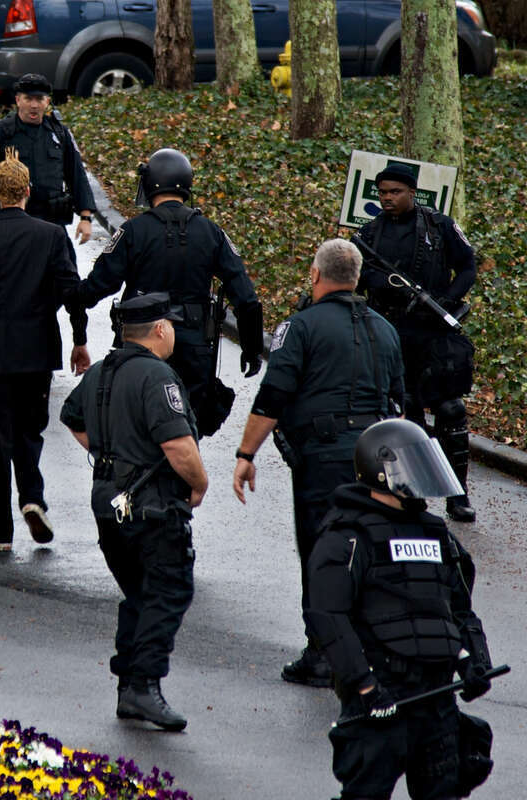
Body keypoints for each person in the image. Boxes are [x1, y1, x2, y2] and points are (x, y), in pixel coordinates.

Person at [232, 238, 404, 687]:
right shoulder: (385, 329)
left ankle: (324, 654)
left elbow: (273, 397)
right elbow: (400, 404)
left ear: (315, 276)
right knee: (367, 549)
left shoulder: (300, 327)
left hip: (323, 459)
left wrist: (246, 454)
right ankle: (367, 646)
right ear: (358, 278)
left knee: (322, 552)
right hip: (377, 458)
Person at [305, 418, 494, 800]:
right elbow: (328, 616)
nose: (421, 475)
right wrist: (365, 685)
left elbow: (460, 609)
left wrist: (476, 662)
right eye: (412, 465)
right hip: (384, 697)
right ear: (381, 471)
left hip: (437, 698)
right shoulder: (347, 535)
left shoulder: (436, 534)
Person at [60, 293, 208, 731]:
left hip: (108, 504)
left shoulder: (102, 371)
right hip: (153, 506)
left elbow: (74, 418)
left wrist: (111, 454)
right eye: (172, 324)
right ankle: (144, 686)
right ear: (160, 329)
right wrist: (199, 484)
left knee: (140, 593)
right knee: (168, 591)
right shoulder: (158, 376)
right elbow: (178, 445)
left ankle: (129, 687)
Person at [69, 147, 264, 437]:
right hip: (195, 346)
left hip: (141, 343)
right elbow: (246, 299)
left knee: (137, 425)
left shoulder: (132, 231)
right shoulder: (212, 233)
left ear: (149, 185)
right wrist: (251, 347)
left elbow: (98, 286)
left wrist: (70, 294)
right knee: (186, 428)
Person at [0, 150, 90, 551]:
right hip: (36, 349)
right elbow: (71, 292)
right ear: (28, 191)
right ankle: (32, 496)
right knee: (30, 430)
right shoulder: (51, 236)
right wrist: (80, 339)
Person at [358, 162, 477, 523]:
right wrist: (377, 285)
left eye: (395, 192)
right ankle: (412, 492)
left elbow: (469, 266)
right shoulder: (369, 235)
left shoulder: (439, 227)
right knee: (404, 416)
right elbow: (356, 278)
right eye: (382, 193)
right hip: (392, 335)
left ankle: (457, 494)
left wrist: (446, 301)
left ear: (412, 192)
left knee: (451, 411)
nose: (388, 198)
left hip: (435, 334)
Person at [0, 73, 96, 265]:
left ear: (47, 101)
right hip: (11, 222)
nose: (34, 105)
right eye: (28, 99)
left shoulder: (60, 134)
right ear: (18, 100)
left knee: (66, 275)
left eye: (39, 99)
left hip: (52, 222)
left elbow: (76, 174)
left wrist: (86, 217)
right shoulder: (0, 132)